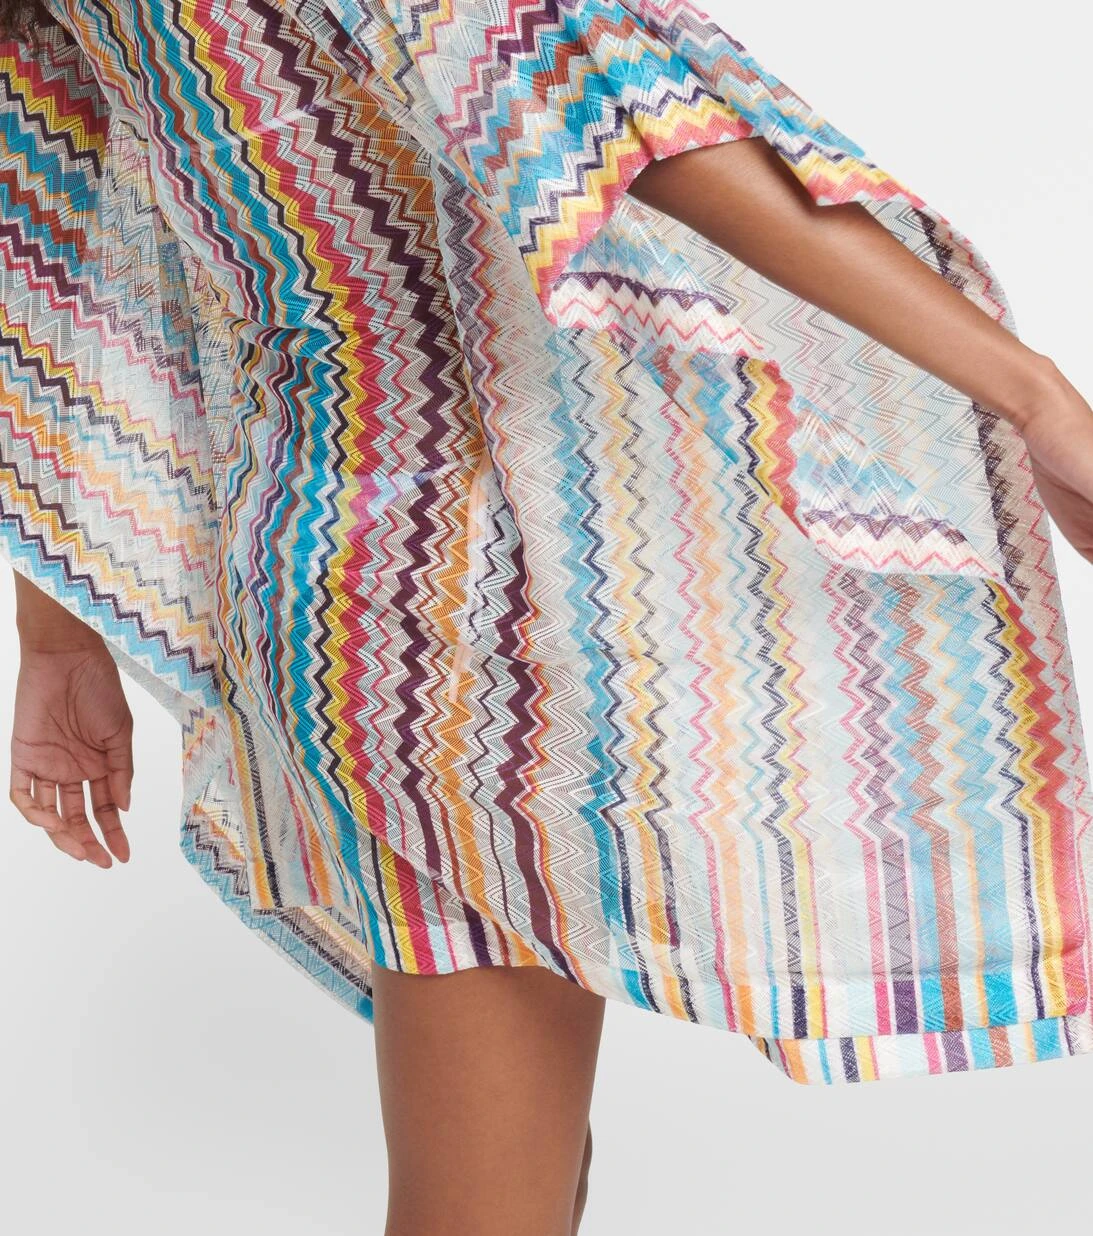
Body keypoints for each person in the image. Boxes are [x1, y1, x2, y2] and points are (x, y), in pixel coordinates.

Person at [3, 1, 1092, 1232]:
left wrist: (56, 632)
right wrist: (1034, 395)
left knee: (510, 1166)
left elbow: (54, 247)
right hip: (472, 565)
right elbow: (605, 113)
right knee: (490, 1206)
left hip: (315, 549)